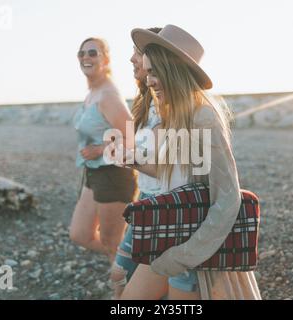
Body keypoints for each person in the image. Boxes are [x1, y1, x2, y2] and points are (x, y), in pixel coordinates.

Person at [120, 25, 262, 300]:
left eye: (156, 72)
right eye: (148, 72)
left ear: (175, 72)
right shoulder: (172, 116)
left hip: (192, 253)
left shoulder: (203, 117)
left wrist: (183, 256)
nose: (149, 81)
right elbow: (172, 176)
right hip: (167, 238)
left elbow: (227, 199)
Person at [70, 37, 138, 263]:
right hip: (94, 173)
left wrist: (100, 149)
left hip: (113, 175)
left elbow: (133, 135)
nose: (85, 57)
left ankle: (124, 288)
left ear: (106, 60)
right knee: (80, 234)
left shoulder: (108, 96)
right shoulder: (92, 93)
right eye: (81, 54)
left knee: (112, 243)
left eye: (92, 53)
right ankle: (136, 263)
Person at [109, 27, 163, 299]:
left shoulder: (168, 105)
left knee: (122, 276)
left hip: (162, 203)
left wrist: (129, 159)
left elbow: (166, 167)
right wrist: (123, 149)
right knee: (123, 276)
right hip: (145, 198)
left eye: (137, 53)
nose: (131, 59)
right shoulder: (146, 102)